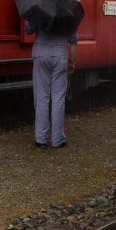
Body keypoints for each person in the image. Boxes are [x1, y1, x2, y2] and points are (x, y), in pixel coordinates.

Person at [26, 20, 77, 149]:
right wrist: (72, 62)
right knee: (58, 99)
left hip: (40, 56)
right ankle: (57, 139)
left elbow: (28, 30)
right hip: (60, 56)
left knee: (41, 98)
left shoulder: (39, 12)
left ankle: (41, 139)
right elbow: (73, 41)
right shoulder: (68, 14)